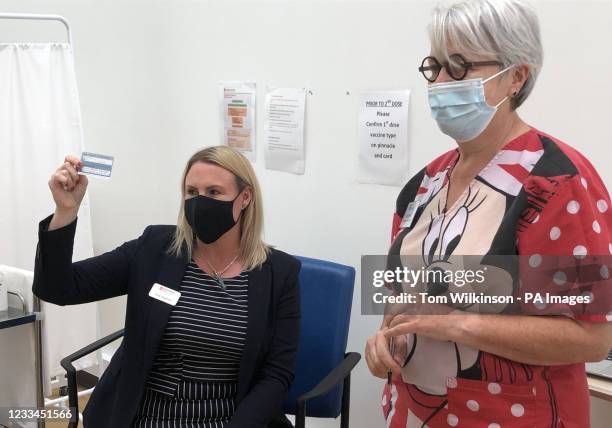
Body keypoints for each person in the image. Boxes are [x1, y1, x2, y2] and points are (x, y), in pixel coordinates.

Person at [364, 0, 612, 426]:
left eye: (459, 67)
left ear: (516, 76)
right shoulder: (424, 186)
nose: (441, 82)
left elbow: (594, 337)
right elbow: (402, 302)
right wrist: (388, 345)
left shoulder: (556, 183)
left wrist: (458, 323)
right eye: (435, 66)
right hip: (417, 412)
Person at [33, 146, 300, 428]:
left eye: (214, 192)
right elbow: (58, 288)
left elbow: (276, 375)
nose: (200, 202)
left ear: (244, 198)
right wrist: (65, 211)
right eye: (192, 192)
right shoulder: (155, 249)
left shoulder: (278, 273)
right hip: (144, 415)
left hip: (228, 419)